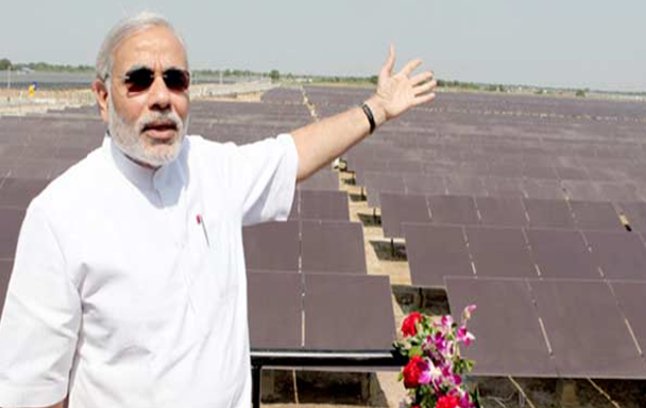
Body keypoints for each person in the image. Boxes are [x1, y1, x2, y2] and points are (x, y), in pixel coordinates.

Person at [0, 12, 436, 408]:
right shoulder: (60, 215)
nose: (161, 97)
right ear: (102, 96)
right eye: (139, 80)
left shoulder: (211, 169)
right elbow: (33, 389)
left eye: (175, 80)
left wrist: (376, 109)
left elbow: (294, 154)